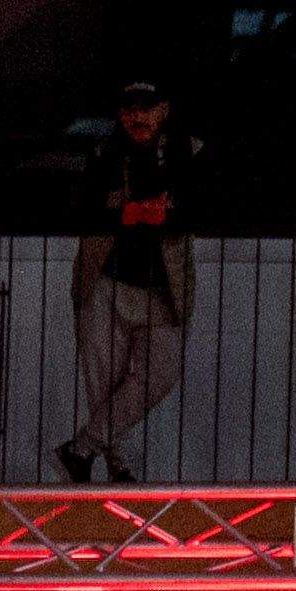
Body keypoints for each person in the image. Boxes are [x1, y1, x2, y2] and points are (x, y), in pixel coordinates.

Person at [59, 83, 199, 485]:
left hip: (164, 288)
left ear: (164, 108)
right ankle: (118, 468)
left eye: (146, 108)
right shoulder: (104, 153)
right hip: (106, 282)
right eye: (128, 109)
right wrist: (142, 210)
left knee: (160, 374)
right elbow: (85, 208)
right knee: (103, 383)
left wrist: (138, 210)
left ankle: (82, 449)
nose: (136, 117)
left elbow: (197, 206)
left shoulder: (186, 151)